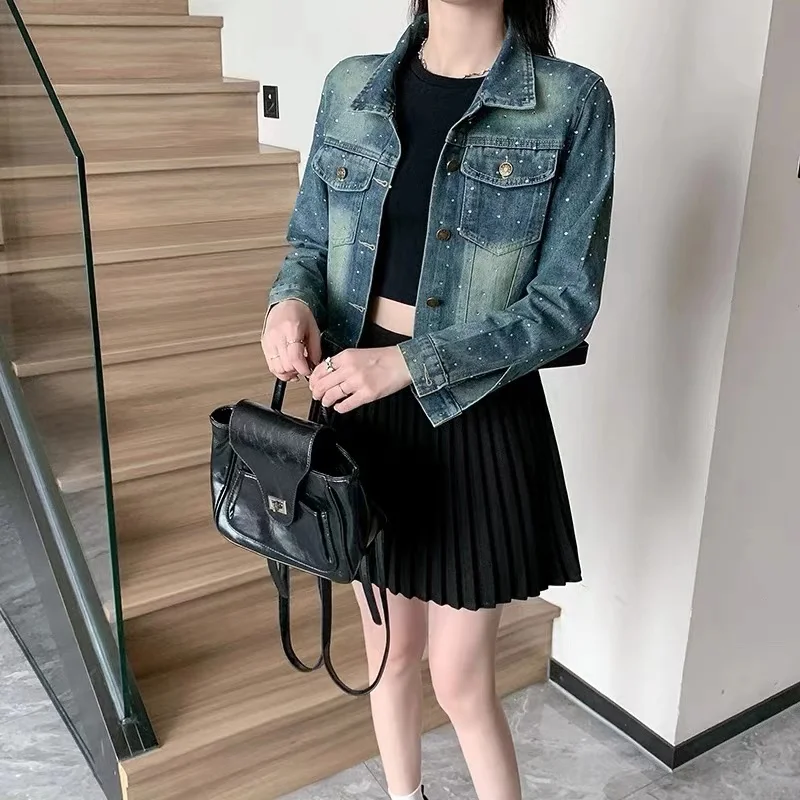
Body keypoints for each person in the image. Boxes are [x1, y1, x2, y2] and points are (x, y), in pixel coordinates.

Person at [262, 1, 615, 797]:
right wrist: (288, 306)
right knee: (388, 655)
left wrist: (411, 364)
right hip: (359, 405)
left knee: (459, 680)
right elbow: (309, 244)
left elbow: (565, 303)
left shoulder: (572, 101)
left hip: (477, 411)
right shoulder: (350, 87)